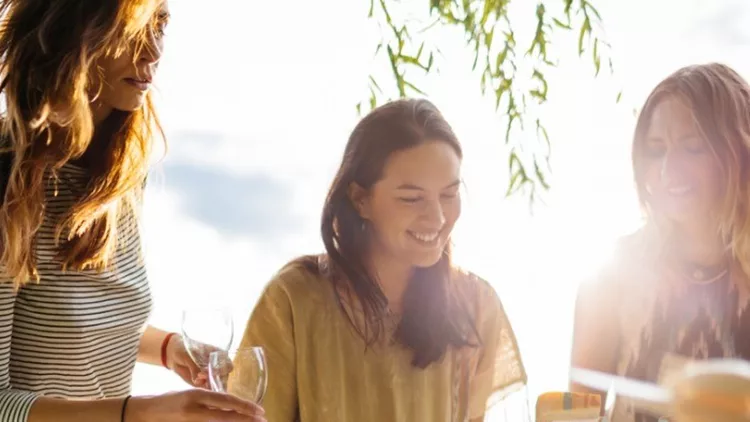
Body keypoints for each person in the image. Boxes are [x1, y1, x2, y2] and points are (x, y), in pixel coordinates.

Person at [0, 1, 266, 421]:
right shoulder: (8, 179)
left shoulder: (116, 176)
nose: (154, 51)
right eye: (135, 29)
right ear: (75, 29)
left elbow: (69, 326)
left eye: (161, 25)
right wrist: (137, 413)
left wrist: (169, 348)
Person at [232, 98, 528, 421]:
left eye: (449, 194)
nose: (438, 218)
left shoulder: (477, 305)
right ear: (360, 199)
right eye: (412, 198)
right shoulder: (293, 300)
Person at [570, 63, 750, 422]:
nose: (669, 170)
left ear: (739, 151)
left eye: (693, 147)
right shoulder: (614, 277)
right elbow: (577, 411)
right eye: (656, 149)